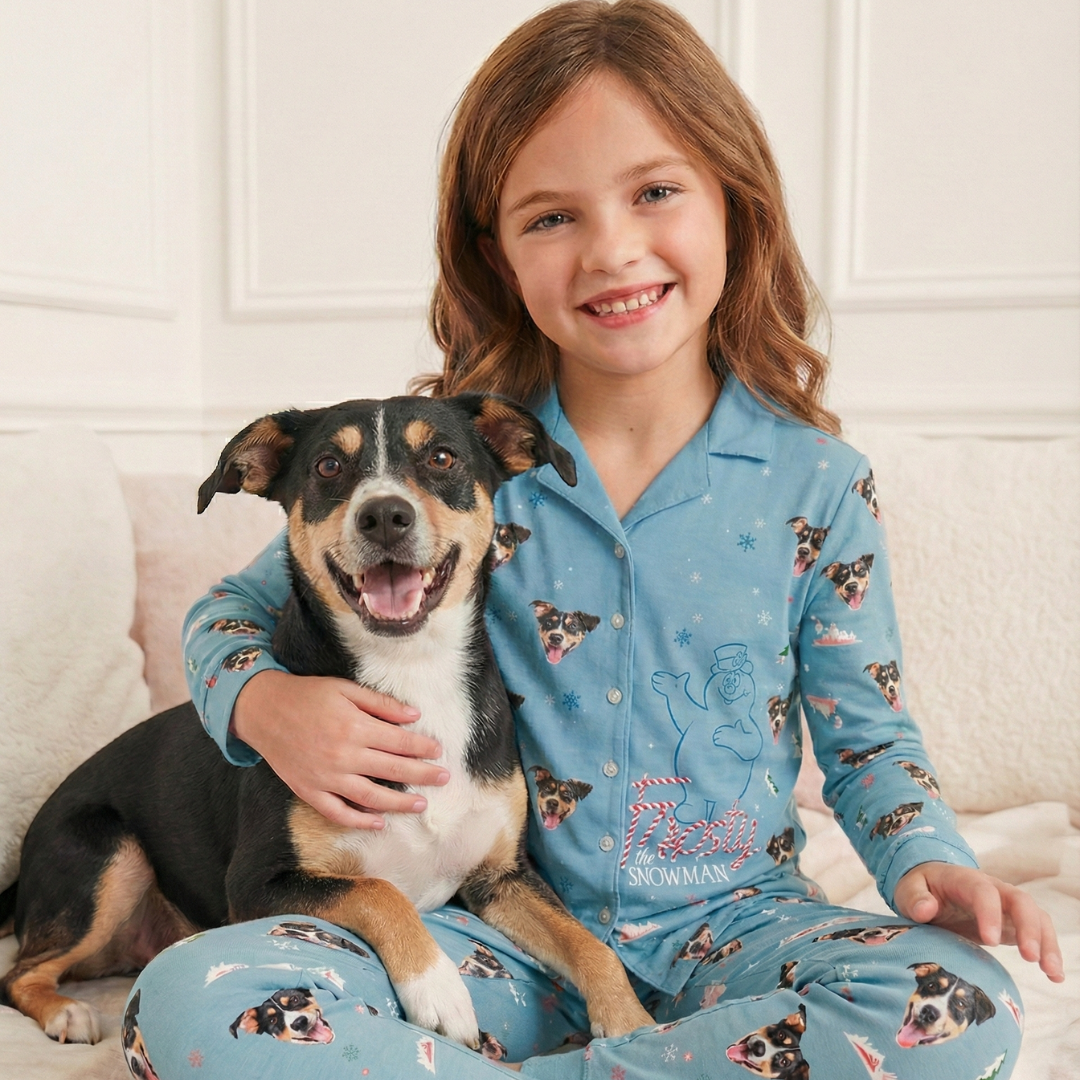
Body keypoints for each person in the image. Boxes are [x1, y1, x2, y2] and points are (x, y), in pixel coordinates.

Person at [128, 2, 1062, 1077]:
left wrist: (929, 863)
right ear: (501, 254)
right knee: (196, 999)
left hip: (743, 930)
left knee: (966, 1004)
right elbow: (232, 611)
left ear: (733, 204)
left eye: (656, 191)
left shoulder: (819, 486)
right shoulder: (453, 464)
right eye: (552, 217)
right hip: (507, 936)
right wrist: (262, 702)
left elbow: (869, 741)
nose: (613, 249)